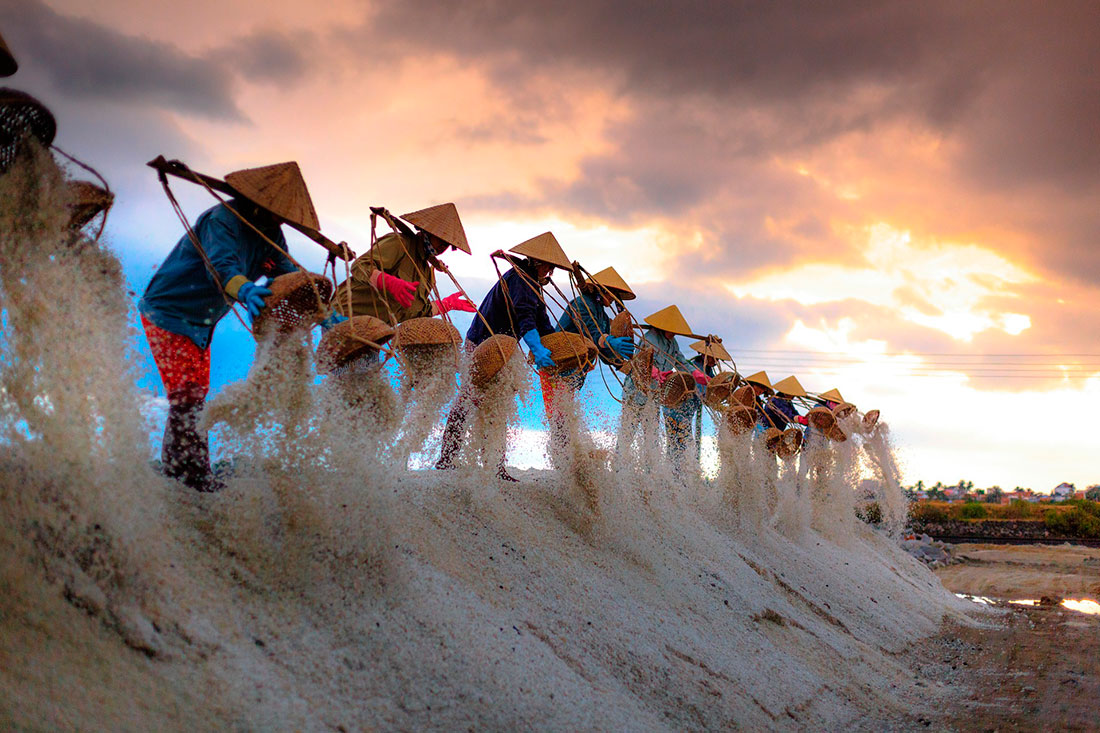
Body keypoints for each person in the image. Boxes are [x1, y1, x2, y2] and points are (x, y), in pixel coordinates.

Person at [139, 161, 323, 491]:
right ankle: (189, 477)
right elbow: (220, 267)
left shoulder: (272, 234)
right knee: (187, 397)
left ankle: (186, 472)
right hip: (169, 310)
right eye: (272, 213)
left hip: (202, 322)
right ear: (254, 203)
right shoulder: (222, 220)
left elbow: (288, 273)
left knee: (195, 395)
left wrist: (324, 312)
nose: (277, 221)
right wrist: (245, 288)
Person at [435, 232, 572, 480]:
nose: (550, 272)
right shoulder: (520, 281)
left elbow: (543, 324)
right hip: (480, 343)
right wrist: (536, 347)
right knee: (468, 398)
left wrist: (557, 349)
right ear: (539, 263)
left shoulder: (532, 285)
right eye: (550, 267)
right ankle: (447, 458)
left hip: (504, 350)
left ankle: (495, 466)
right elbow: (525, 318)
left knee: (499, 407)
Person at [331, 203, 476, 325]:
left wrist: (446, 305)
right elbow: (359, 266)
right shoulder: (399, 243)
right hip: (345, 315)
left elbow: (412, 313)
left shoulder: (427, 273)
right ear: (427, 232)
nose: (443, 247)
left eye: (447, 244)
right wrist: (386, 282)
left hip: (373, 329)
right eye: (441, 240)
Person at [543, 266, 636, 444]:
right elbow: (592, 334)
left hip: (574, 372)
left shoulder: (601, 314)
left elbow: (604, 353)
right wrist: (609, 341)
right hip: (558, 366)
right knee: (559, 421)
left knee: (566, 419)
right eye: (611, 293)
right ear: (601, 290)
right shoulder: (581, 304)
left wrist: (625, 366)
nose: (613, 297)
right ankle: (564, 467)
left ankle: (568, 464)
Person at [619, 305, 708, 475]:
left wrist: (699, 376)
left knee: (652, 438)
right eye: (672, 330)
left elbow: (681, 362)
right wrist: (656, 373)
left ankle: (650, 477)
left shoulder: (672, 343)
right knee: (627, 434)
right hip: (635, 393)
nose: (674, 333)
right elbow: (641, 362)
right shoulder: (650, 338)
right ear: (663, 327)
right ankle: (618, 471)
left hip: (653, 397)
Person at [687, 338, 728, 466]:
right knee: (682, 444)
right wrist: (718, 406)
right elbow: (702, 394)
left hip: (689, 412)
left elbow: (713, 390)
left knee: (686, 444)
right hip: (678, 409)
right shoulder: (695, 367)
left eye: (717, 360)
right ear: (705, 354)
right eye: (713, 358)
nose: (716, 362)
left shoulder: (709, 370)